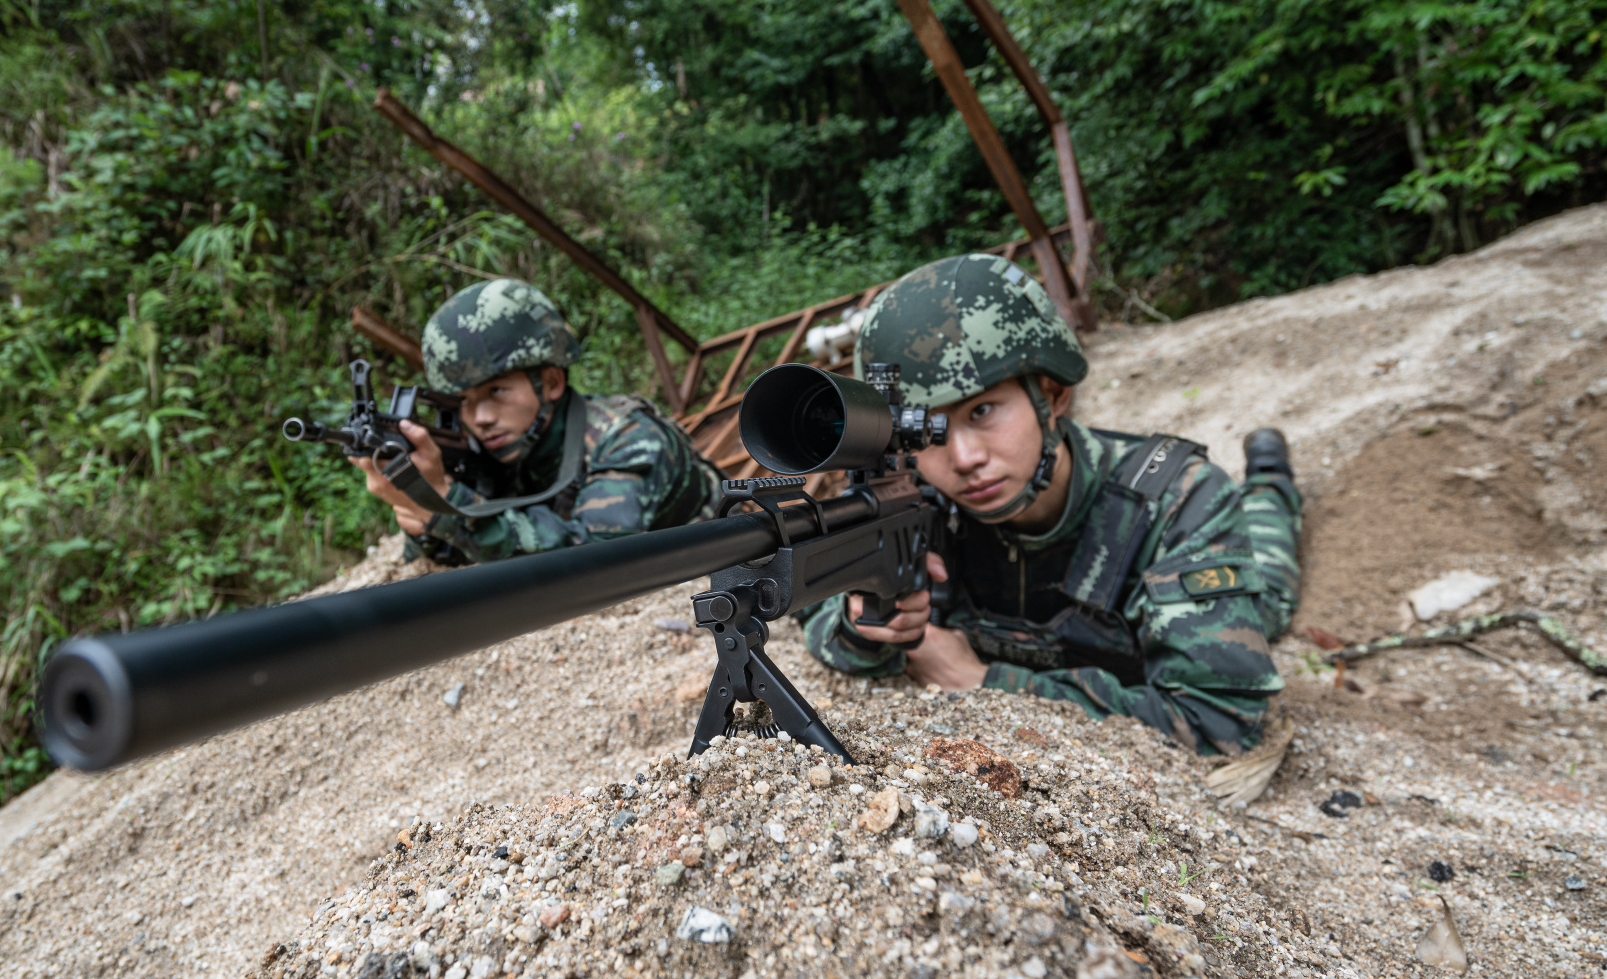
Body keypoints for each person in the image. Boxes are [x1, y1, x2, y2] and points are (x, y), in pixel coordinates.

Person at [802, 254, 1302, 754]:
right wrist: (867, 631)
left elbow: (1220, 720)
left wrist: (987, 681)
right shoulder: (913, 502)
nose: (964, 458)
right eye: (928, 432)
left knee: (1270, 595)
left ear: (1053, 395)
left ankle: (1269, 478)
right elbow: (816, 612)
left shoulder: (1175, 502)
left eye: (982, 411)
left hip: (1196, 537)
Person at [353, 278, 722, 564]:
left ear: (551, 383)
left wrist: (452, 506)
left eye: (497, 391)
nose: (479, 419)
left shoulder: (627, 436)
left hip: (729, 573)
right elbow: (450, 561)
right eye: (463, 401)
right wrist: (423, 510)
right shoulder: (497, 451)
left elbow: (602, 558)